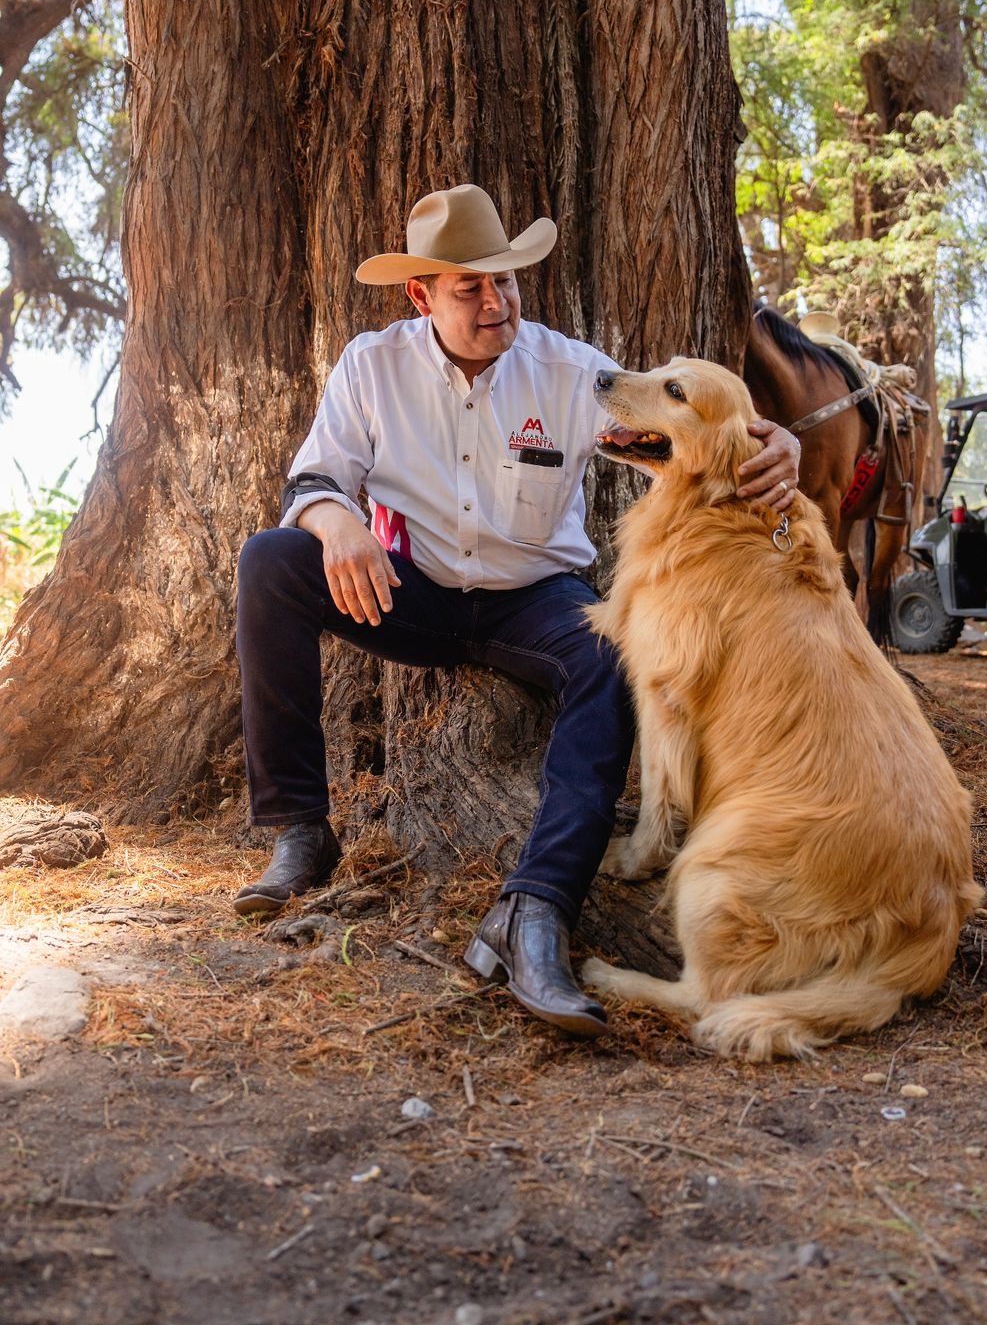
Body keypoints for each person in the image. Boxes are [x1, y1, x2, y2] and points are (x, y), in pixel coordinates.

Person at [233, 184, 801, 1035]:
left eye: (506, 281)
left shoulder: (573, 372)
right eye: (470, 287)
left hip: (536, 600)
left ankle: (535, 909)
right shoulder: (371, 365)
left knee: (609, 657)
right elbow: (311, 479)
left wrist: (776, 443)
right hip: (411, 590)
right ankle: (301, 831)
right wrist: (336, 520)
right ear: (420, 296)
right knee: (271, 561)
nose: (495, 301)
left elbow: (692, 424)